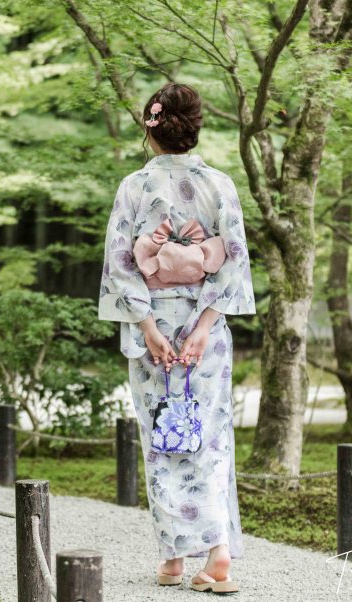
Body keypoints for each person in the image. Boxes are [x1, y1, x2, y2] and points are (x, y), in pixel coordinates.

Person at [98, 82, 256, 594]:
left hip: (154, 331)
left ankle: (174, 557)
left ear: (151, 128)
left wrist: (147, 327)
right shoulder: (220, 185)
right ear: (195, 128)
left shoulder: (134, 186)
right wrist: (204, 327)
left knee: (161, 440)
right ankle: (214, 554)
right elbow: (233, 262)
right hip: (204, 332)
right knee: (209, 436)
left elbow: (121, 265)